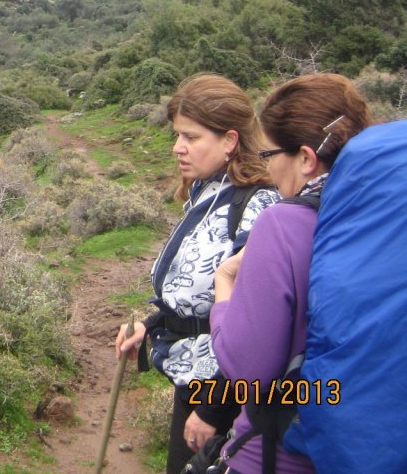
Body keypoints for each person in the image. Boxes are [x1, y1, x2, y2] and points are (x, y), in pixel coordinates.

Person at [116, 73, 280, 474]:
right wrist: (151, 323)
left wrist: (213, 409)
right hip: (192, 375)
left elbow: (256, 322)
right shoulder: (207, 190)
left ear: (230, 140)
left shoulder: (258, 206)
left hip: (221, 390)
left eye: (191, 136)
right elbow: (197, 292)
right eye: (178, 135)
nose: (177, 147)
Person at [210, 74, 373, 474]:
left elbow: (247, 370)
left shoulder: (283, 224)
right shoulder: (383, 219)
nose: (268, 168)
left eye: (269, 154)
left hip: (279, 456)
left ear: (305, 158)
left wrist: (224, 283)